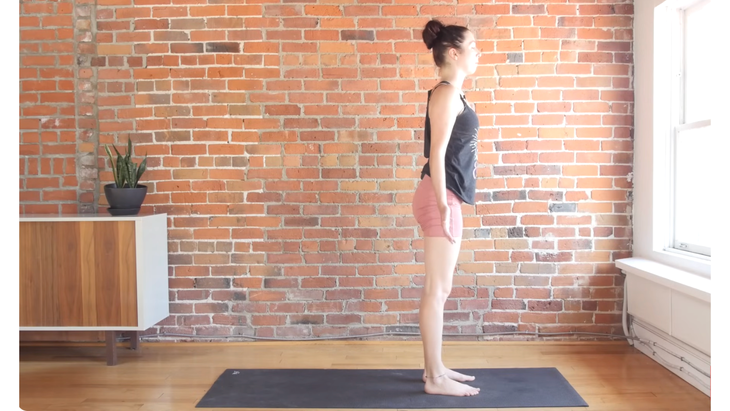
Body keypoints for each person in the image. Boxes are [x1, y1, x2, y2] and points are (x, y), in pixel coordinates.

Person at [412, 19, 482, 397]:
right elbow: (436, 154)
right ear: (453, 53)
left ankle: (434, 369)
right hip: (441, 196)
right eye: (473, 46)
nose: (478, 52)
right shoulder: (445, 94)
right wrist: (442, 205)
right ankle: (435, 379)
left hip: (448, 196)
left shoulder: (455, 94)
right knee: (437, 290)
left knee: (439, 288)